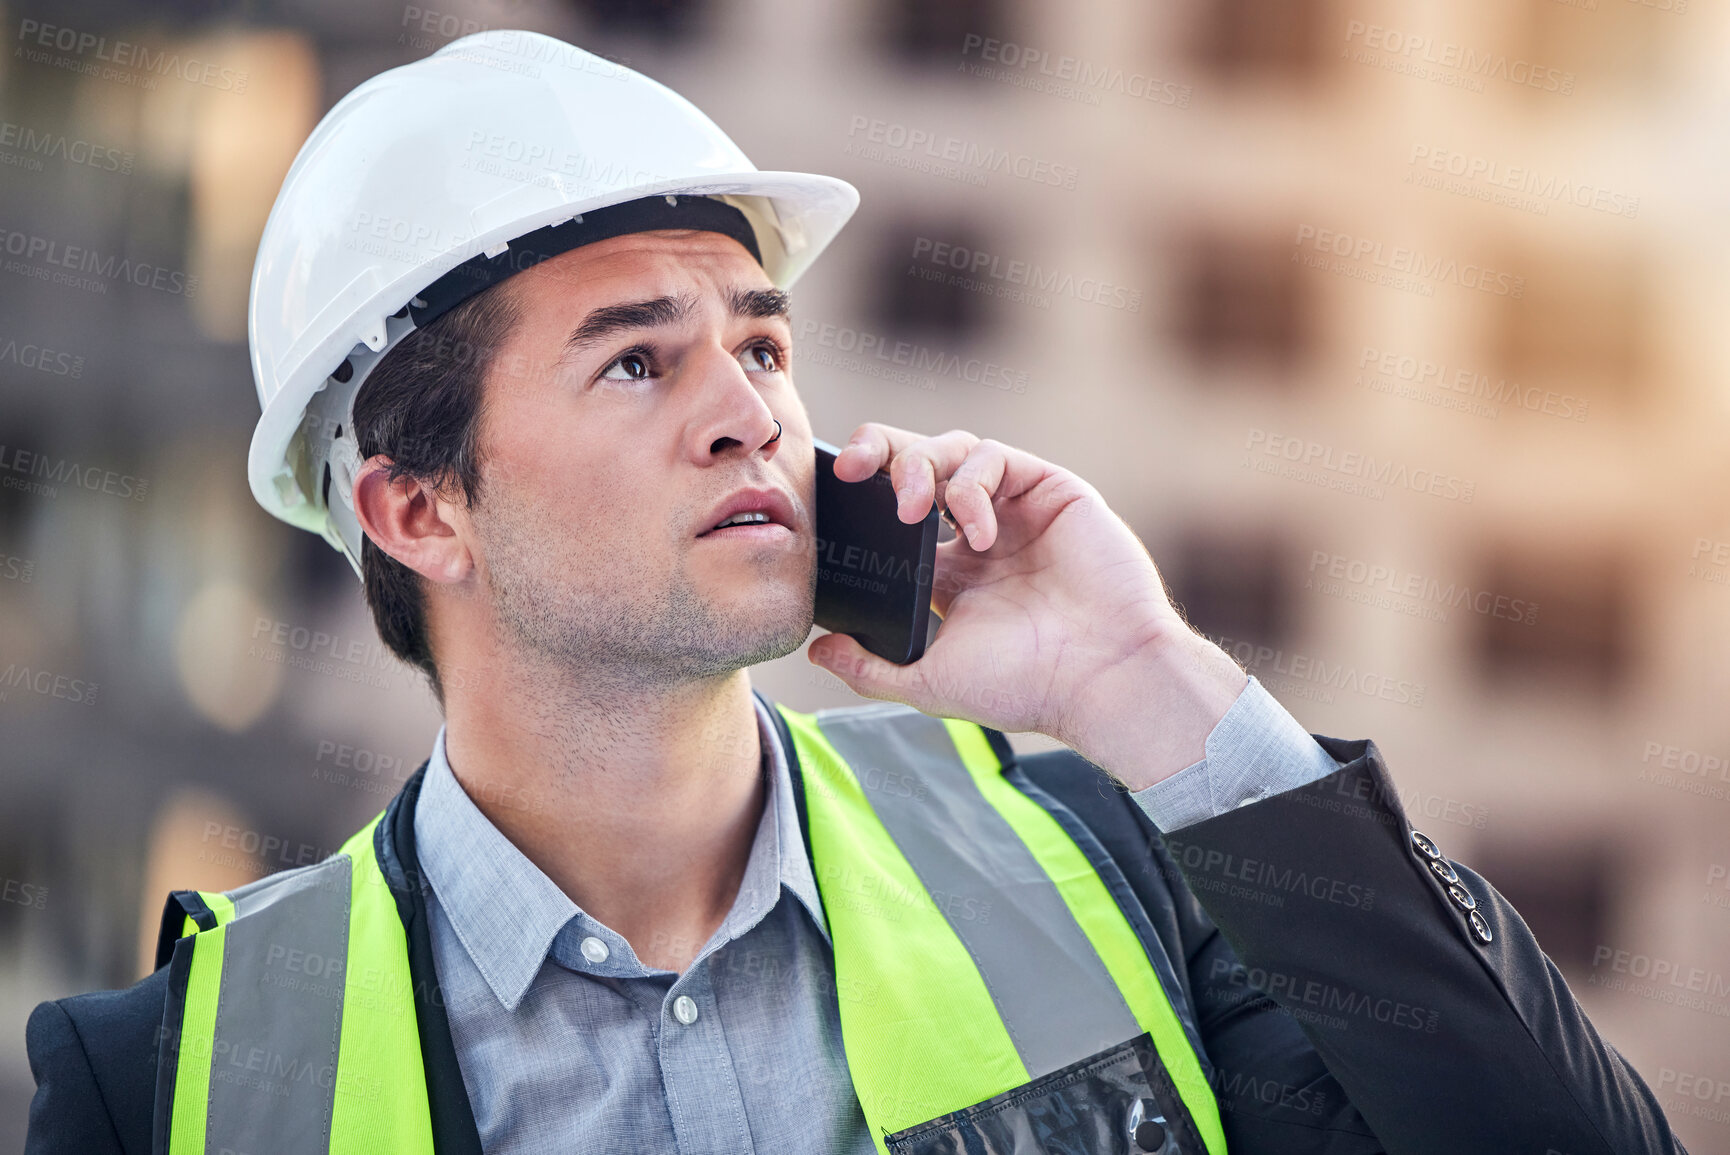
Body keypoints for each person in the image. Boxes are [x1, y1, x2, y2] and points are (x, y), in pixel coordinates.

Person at [25, 30, 1686, 1155]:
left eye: (758, 341)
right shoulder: (171, 1080)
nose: (752, 407)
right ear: (416, 508)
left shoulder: (1109, 865)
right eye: (634, 365)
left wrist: (1145, 680)